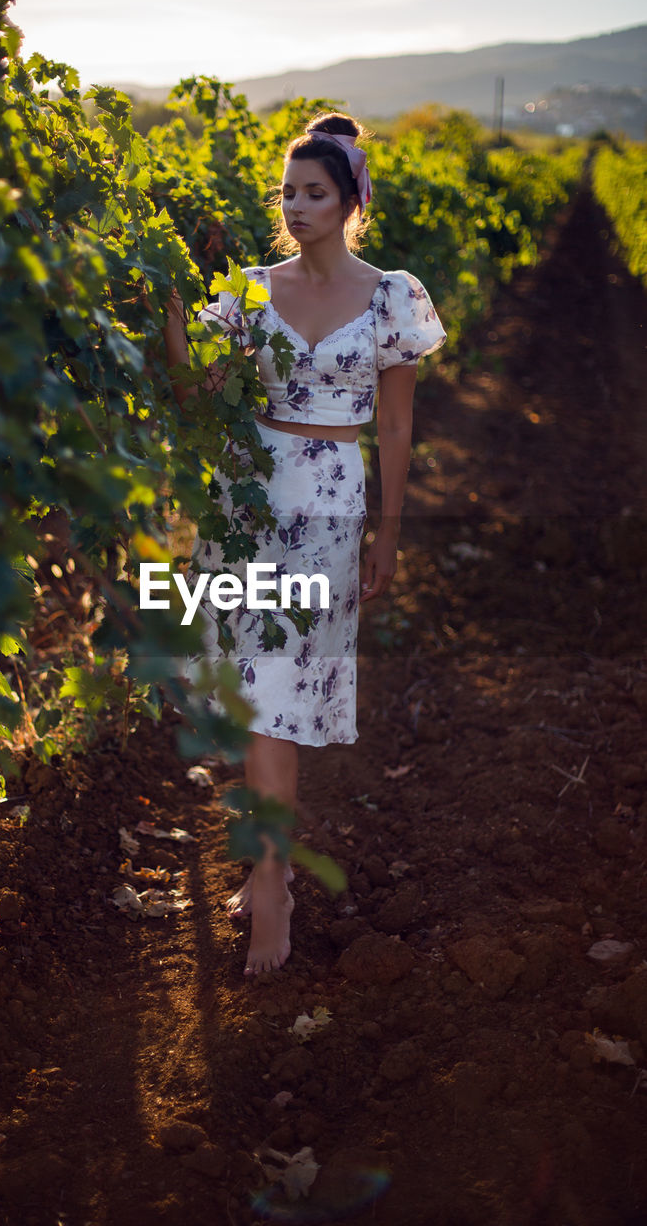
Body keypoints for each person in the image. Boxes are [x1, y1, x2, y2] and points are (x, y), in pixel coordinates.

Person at [163, 112, 446, 977]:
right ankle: (269, 870)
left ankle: (273, 882)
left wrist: (388, 534)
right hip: (244, 501)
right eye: (286, 192)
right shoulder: (248, 290)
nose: (294, 207)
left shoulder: (393, 294)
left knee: (277, 692)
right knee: (252, 697)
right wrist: (169, 312)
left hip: (329, 504)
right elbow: (192, 389)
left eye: (313, 193)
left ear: (352, 199)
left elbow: (393, 426)